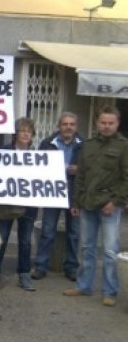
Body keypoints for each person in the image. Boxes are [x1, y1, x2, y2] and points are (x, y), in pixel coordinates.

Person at [64, 106, 128, 307]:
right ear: (97, 123)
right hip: (87, 204)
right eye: (103, 122)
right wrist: (75, 202)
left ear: (117, 124)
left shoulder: (124, 146)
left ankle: (110, 291)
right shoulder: (87, 145)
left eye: (111, 123)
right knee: (87, 247)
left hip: (109, 205)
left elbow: (127, 178)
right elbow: (81, 176)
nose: (107, 126)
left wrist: (115, 202)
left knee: (109, 251)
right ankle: (84, 286)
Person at [0, 118, 39, 291]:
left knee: (26, 241)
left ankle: (24, 274)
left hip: (28, 205)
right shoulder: (2, 153)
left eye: (29, 131)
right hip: (5, 205)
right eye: (22, 130)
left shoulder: (37, 156)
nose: (26, 134)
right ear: (15, 134)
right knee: (1, 239)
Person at [32, 112, 82, 281]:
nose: (68, 127)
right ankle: (41, 266)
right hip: (52, 193)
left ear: (76, 127)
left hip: (75, 194)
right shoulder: (47, 143)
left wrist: (79, 169)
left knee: (74, 233)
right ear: (59, 126)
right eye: (65, 124)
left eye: (72, 124)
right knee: (47, 231)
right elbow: (37, 167)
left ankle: (71, 267)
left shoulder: (84, 145)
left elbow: (90, 169)